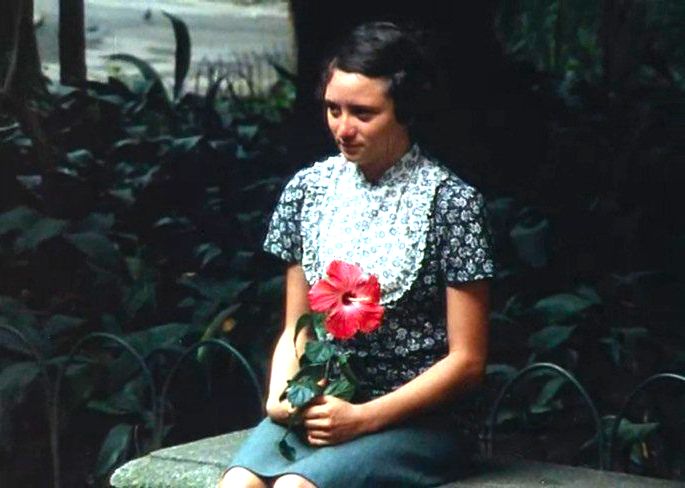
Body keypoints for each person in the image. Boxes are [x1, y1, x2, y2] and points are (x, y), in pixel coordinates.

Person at [219, 21, 494, 488]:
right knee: (237, 485)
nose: (343, 129)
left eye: (363, 113)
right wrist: (282, 396)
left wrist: (363, 418)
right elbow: (297, 326)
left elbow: (467, 361)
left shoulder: (451, 203)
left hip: (419, 421)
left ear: (405, 110)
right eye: (333, 109)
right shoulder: (308, 191)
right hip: (328, 404)